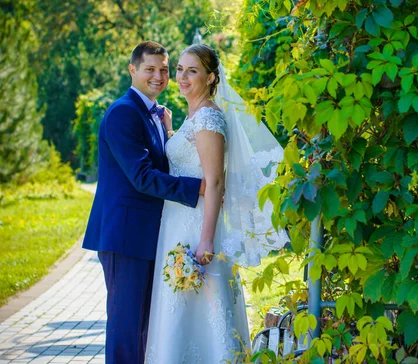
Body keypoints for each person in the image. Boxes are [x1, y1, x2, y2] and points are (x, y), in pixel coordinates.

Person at [145, 43, 287, 363]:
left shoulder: (208, 118)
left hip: (197, 228)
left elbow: (216, 182)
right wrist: (170, 132)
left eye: (191, 71)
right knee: (180, 303)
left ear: (210, 78)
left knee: (201, 303)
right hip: (177, 224)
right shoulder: (194, 115)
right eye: (179, 69)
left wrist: (207, 238)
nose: (181, 77)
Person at [82, 41, 205, 364]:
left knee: (144, 327)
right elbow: (142, 176)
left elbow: (161, 163)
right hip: (125, 237)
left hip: (146, 236)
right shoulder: (124, 113)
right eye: (150, 69)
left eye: (164, 69)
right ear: (132, 70)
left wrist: (170, 132)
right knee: (126, 327)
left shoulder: (153, 113)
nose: (159, 76)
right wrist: (199, 188)